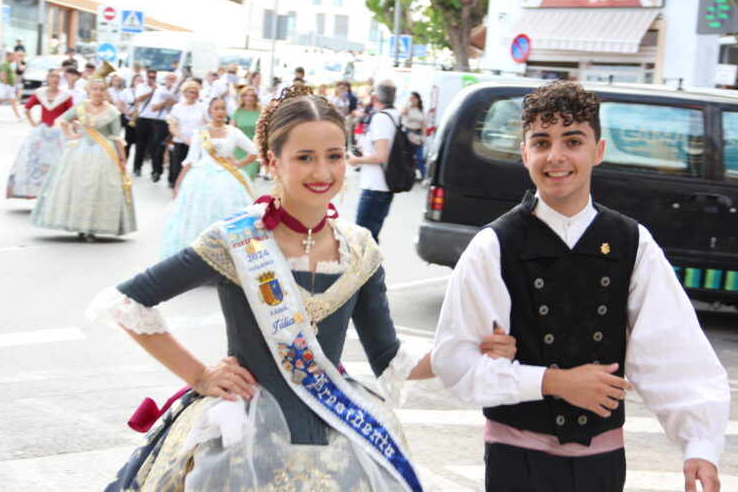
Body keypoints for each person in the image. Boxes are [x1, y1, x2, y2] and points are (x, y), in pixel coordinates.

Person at [86, 84, 516, 491]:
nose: (322, 171)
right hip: (242, 434)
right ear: (271, 162)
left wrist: (468, 348)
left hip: (342, 432)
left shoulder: (360, 250)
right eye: (305, 157)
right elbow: (128, 301)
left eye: (334, 155)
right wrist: (198, 374)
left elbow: (390, 359)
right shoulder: (234, 241)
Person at [431, 81, 730, 492]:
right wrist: (553, 382)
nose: (556, 157)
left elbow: (673, 348)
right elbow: (457, 362)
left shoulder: (631, 242)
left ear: (598, 150)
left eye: (573, 141)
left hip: (602, 464)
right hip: (516, 462)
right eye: (541, 142)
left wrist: (699, 444)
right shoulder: (493, 246)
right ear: (524, 153)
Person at [31, 78, 137, 241]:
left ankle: (92, 227)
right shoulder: (80, 107)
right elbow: (63, 120)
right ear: (89, 91)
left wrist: (122, 160)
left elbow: (116, 137)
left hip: (104, 154)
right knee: (77, 187)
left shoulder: (112, 111)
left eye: (102, 89)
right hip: (80, 152)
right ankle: (78, 224)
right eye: (95, 89)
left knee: (97, 188)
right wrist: (70, 135)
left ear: (105, 92)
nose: (98, 92)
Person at [160, 97, 257, 258]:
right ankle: (198, 258)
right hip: (201, 177)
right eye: (216, 109)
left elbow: (254, 151)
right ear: (210, 111)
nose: (220, 112)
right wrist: (178, 183)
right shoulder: (200, 133)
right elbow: (191, 159)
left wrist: (239, 164)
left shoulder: (233, 132)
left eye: (222, 108)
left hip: (229, 177)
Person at [346, 79, 400, 243]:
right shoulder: (395, 115)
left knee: (363, 241)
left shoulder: (381, 118)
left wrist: (357, 160)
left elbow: (381, 155)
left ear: (375, 97)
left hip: (375, 187)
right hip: (383, 186)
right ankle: (370, 268)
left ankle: (369, 269)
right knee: (369, 239)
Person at [6, 69, 73, 199]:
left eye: (57, 77)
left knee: (58, 162)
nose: (55, 79)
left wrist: (68, 127)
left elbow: (73, 114)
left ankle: (56, 193)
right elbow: (27, 107)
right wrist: (33, 123)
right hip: (41, 132)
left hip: (59, 133)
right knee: (35, 161)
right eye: (52, 76)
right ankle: (34, 191)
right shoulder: (40, 93)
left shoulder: (66, 95)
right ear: (48, 78)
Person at [166, 80, 206, 188]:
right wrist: (185, 139)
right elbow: (172, 127)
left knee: (194, 168)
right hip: (180, 142)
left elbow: (208, 124)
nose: (192, 95)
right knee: (177, 168)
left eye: (194, 92)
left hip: (197, 143)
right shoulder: (177, 108)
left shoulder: (203, 107)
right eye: (189, 92)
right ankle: (176, 188)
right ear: (184, 93)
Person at [148, 71, 179, 182]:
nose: (171, 81)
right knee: (158, 148)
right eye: (169, 79)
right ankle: (156, 171)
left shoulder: (180, 91)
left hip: (175, 122)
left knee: (173, 150)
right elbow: (153, 108)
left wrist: (173, 103)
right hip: (161, 122)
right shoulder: (159, 91)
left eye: (173, 79)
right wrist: (165, 102)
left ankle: (172, 177)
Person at [132, 69, 161, 177]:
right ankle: (137, 167)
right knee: (140, 145)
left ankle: (155, 171)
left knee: (155, 146)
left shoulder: (159, 88)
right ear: (146, 77)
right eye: (150, 77)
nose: (152, 79)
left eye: (154, 77)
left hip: (155, 119)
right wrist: (151, 91)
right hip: (143, 118)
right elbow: (139, 99)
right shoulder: (141, 87)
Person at [230, 86, 262, 181]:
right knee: (238, 177)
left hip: (254, 149)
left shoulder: (261, 112)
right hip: (238, 149)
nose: (249, 98)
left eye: (252, 96)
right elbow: (231, 129)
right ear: (242, 97)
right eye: (246, 95)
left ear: (255, 98)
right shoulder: (238, 112)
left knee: (249, 177)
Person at [401, 91, 427, 180]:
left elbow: (424, 124)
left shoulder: (421, 111)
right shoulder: (408, 108)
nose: (413, 100)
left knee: (420, 158)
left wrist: (424, 137)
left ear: (418, 99)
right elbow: (402, 112)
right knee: (408, 156)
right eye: (411, 98)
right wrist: (407, 101)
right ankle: (408, 176)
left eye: (414, 98)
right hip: (409, 133)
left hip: (418, 134)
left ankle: (424, 177)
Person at [120, 74, 142, 162]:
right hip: (128, 118)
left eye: (141, 80)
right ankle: (124, 160)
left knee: (139, 143)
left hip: (140, 120)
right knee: (127, 141)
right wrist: (127, 113)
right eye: (137, 80)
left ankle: (137, 166)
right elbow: (121, 104)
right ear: (133, 81)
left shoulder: (144, 92)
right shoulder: (127, 91)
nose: (139, 82)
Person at [0, 51, 22, 119]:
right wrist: (6, 83)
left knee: (13, 101)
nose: (13, 58)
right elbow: (3, 74)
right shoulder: (5, 64)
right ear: (8, 56)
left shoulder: (9, 64)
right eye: (12, 56)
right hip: (5, 85)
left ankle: (18, 116)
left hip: (9, 86)